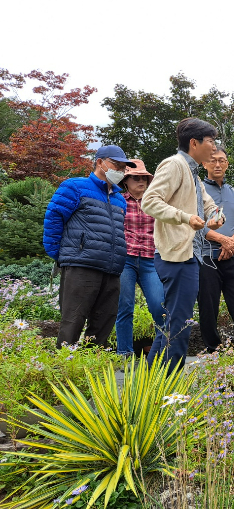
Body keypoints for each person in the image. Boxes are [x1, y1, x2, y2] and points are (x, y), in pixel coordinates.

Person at [142, 118, 223, 372]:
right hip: (175, 256)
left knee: (176, 321)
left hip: (190, 254)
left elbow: (207, 203)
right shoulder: (174, 165)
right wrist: (185, 218)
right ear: (194, 143)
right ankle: (169, 382)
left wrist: (215, 215)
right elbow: (150, 201)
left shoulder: (193, 172)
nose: (214, 147)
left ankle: (152, 378)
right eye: (210, 141)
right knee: (180, 323)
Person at [43, 145, 136, 348]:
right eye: (116, 165)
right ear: (100, 162)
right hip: (81, 265)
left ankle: (92, 369)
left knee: (104, 322)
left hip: (111, 268)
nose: (120, 170)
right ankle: (65, 369)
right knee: (73, 321)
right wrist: (61, 255)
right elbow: (54, 219)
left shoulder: (120, 199)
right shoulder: (74, 187)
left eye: (123, 168)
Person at [198, 146, 234, 351]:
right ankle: (214, 350)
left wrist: (233, 241)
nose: (217, 164)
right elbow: (195, 224)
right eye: (213, 160)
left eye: (222, 160)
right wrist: (222, 240)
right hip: (206, 256)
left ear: (227, 164)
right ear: (204, 164)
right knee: (208, 307)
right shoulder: (197, 189)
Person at [115, 159, 165, 357]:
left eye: (144, 177)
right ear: (126, 181)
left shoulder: (155, 201)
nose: (141, 181)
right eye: (136, 178)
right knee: (124, 307)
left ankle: (162, 350)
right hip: (125, 259)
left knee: (158, 305)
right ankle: (124, 353)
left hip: (150, 258)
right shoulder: (118, 200)